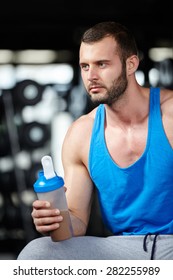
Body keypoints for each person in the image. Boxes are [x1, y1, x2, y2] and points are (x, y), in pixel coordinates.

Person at [17, 21, 173, 260]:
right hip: (123, 249)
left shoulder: (169, 115)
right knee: (36, 254)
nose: (92, 76)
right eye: (85, 66)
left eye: (102, 64)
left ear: (131, 64)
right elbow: (77, 221)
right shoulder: (82, 134)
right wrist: (55, 219)